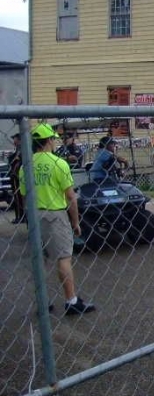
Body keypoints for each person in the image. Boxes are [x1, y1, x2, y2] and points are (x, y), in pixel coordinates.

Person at [19, 123, 95, 315]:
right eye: (54, 139)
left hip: (34, 214)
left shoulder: (25, 165)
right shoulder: (58, 163)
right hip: (55, 213)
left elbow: (23, 195)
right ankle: (71, 300)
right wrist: (75, 222)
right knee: (63, 257)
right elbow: (70, 197)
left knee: (40, 260)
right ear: (49, 141)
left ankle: (43, 302)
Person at [8, 133, 25, 224]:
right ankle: (21, 216)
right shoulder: (19, 148)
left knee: (19, 197)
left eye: (14, 139)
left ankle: (20, 216)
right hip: (17, 176)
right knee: (18, 197)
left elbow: (18, 161)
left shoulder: (21, 148)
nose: (14, 141)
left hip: (17, 177)